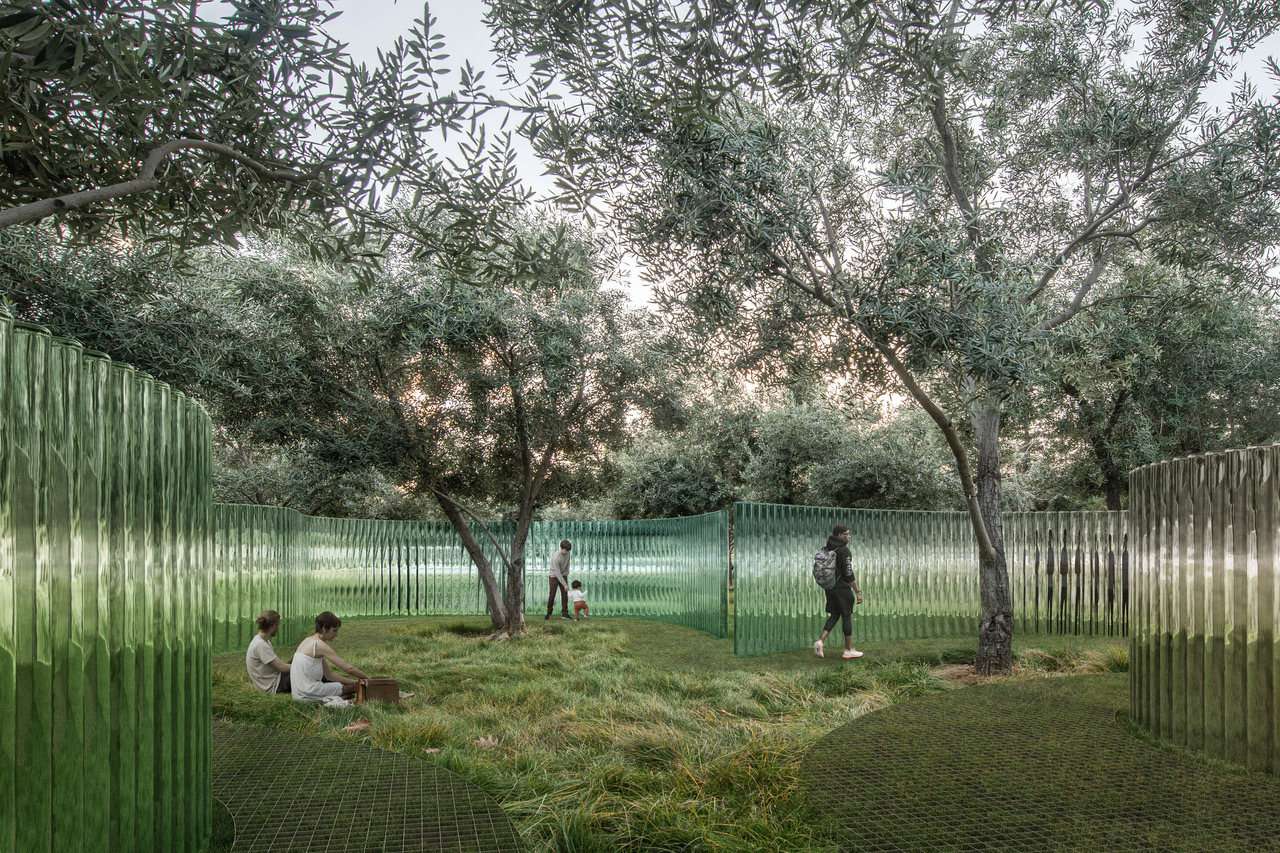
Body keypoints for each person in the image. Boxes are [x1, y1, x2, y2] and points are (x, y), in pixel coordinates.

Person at [291, 611, 370, 702]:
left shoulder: (308, 640)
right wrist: (368, 680)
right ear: (325, 628)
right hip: (309, 691)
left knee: (351, 692)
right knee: (356, 689)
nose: (336, 634)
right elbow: (349, 669)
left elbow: (329, 675)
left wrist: (353, 682)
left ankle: (338, 699)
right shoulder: (320, 646)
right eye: (334, 630)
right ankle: (339, 699)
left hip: (298, 694)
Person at [814, 524, 865, 660]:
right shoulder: (844, 551)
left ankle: (820, 642)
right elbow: (848, 573)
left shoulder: (827, 548)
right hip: (842, 589)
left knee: (835, 614)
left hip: (830, 588)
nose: (849, 536)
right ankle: (848, 650)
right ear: (839, 536)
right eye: (846, 534)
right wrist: (857, 591)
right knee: (846, 616)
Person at [245, 610, 292, 694]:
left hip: (276, 678)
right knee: (307, 666)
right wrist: (303, 666)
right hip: (275, 686)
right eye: (278, 625)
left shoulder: (262, 641)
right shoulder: (260, 644)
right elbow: (283, 668)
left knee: (301, 657)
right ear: (274, 626)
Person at [546, 539, 573, 620]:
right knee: (552, 595)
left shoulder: (568, 552)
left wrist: (567, 570)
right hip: (554, 576)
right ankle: (549, 611)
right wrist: (565, 585)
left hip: (563, 574)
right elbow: (557, 573)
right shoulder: (556, 557)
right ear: (561, 548)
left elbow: (568, 561)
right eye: (566, 551)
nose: (567, 552)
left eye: (568, 551)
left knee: (565, 595)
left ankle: (565, 613)